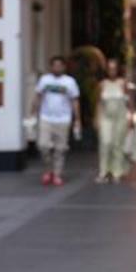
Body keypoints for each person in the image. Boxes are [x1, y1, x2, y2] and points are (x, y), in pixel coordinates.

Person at [34, 54, 82, 186]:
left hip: (63, 119)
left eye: (59, 66)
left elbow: (75, 101)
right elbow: (38, 97)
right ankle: (48, 169)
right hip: (46, 117)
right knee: (43, 145)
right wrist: (32, 113)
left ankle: (57, 174)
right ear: (51, 67)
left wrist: (77, 119)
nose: (57, 68)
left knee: (60, 149)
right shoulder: (44, 80)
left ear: (64, 67)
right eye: (54, 65)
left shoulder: (70, 82)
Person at [95, 58, 136, 182]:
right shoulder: (102, 84)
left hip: (120, 117)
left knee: (117, 144)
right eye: (109, 68)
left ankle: (116, 172)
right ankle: (103, 172)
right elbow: (98, 103)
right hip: (106, 117)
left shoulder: (123, 83)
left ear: (118, 70)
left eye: (114, 68)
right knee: (105, 143)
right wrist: (96, 118)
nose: (112, 71)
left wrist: (131, 117)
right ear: (106, 70)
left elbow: (130, 102)